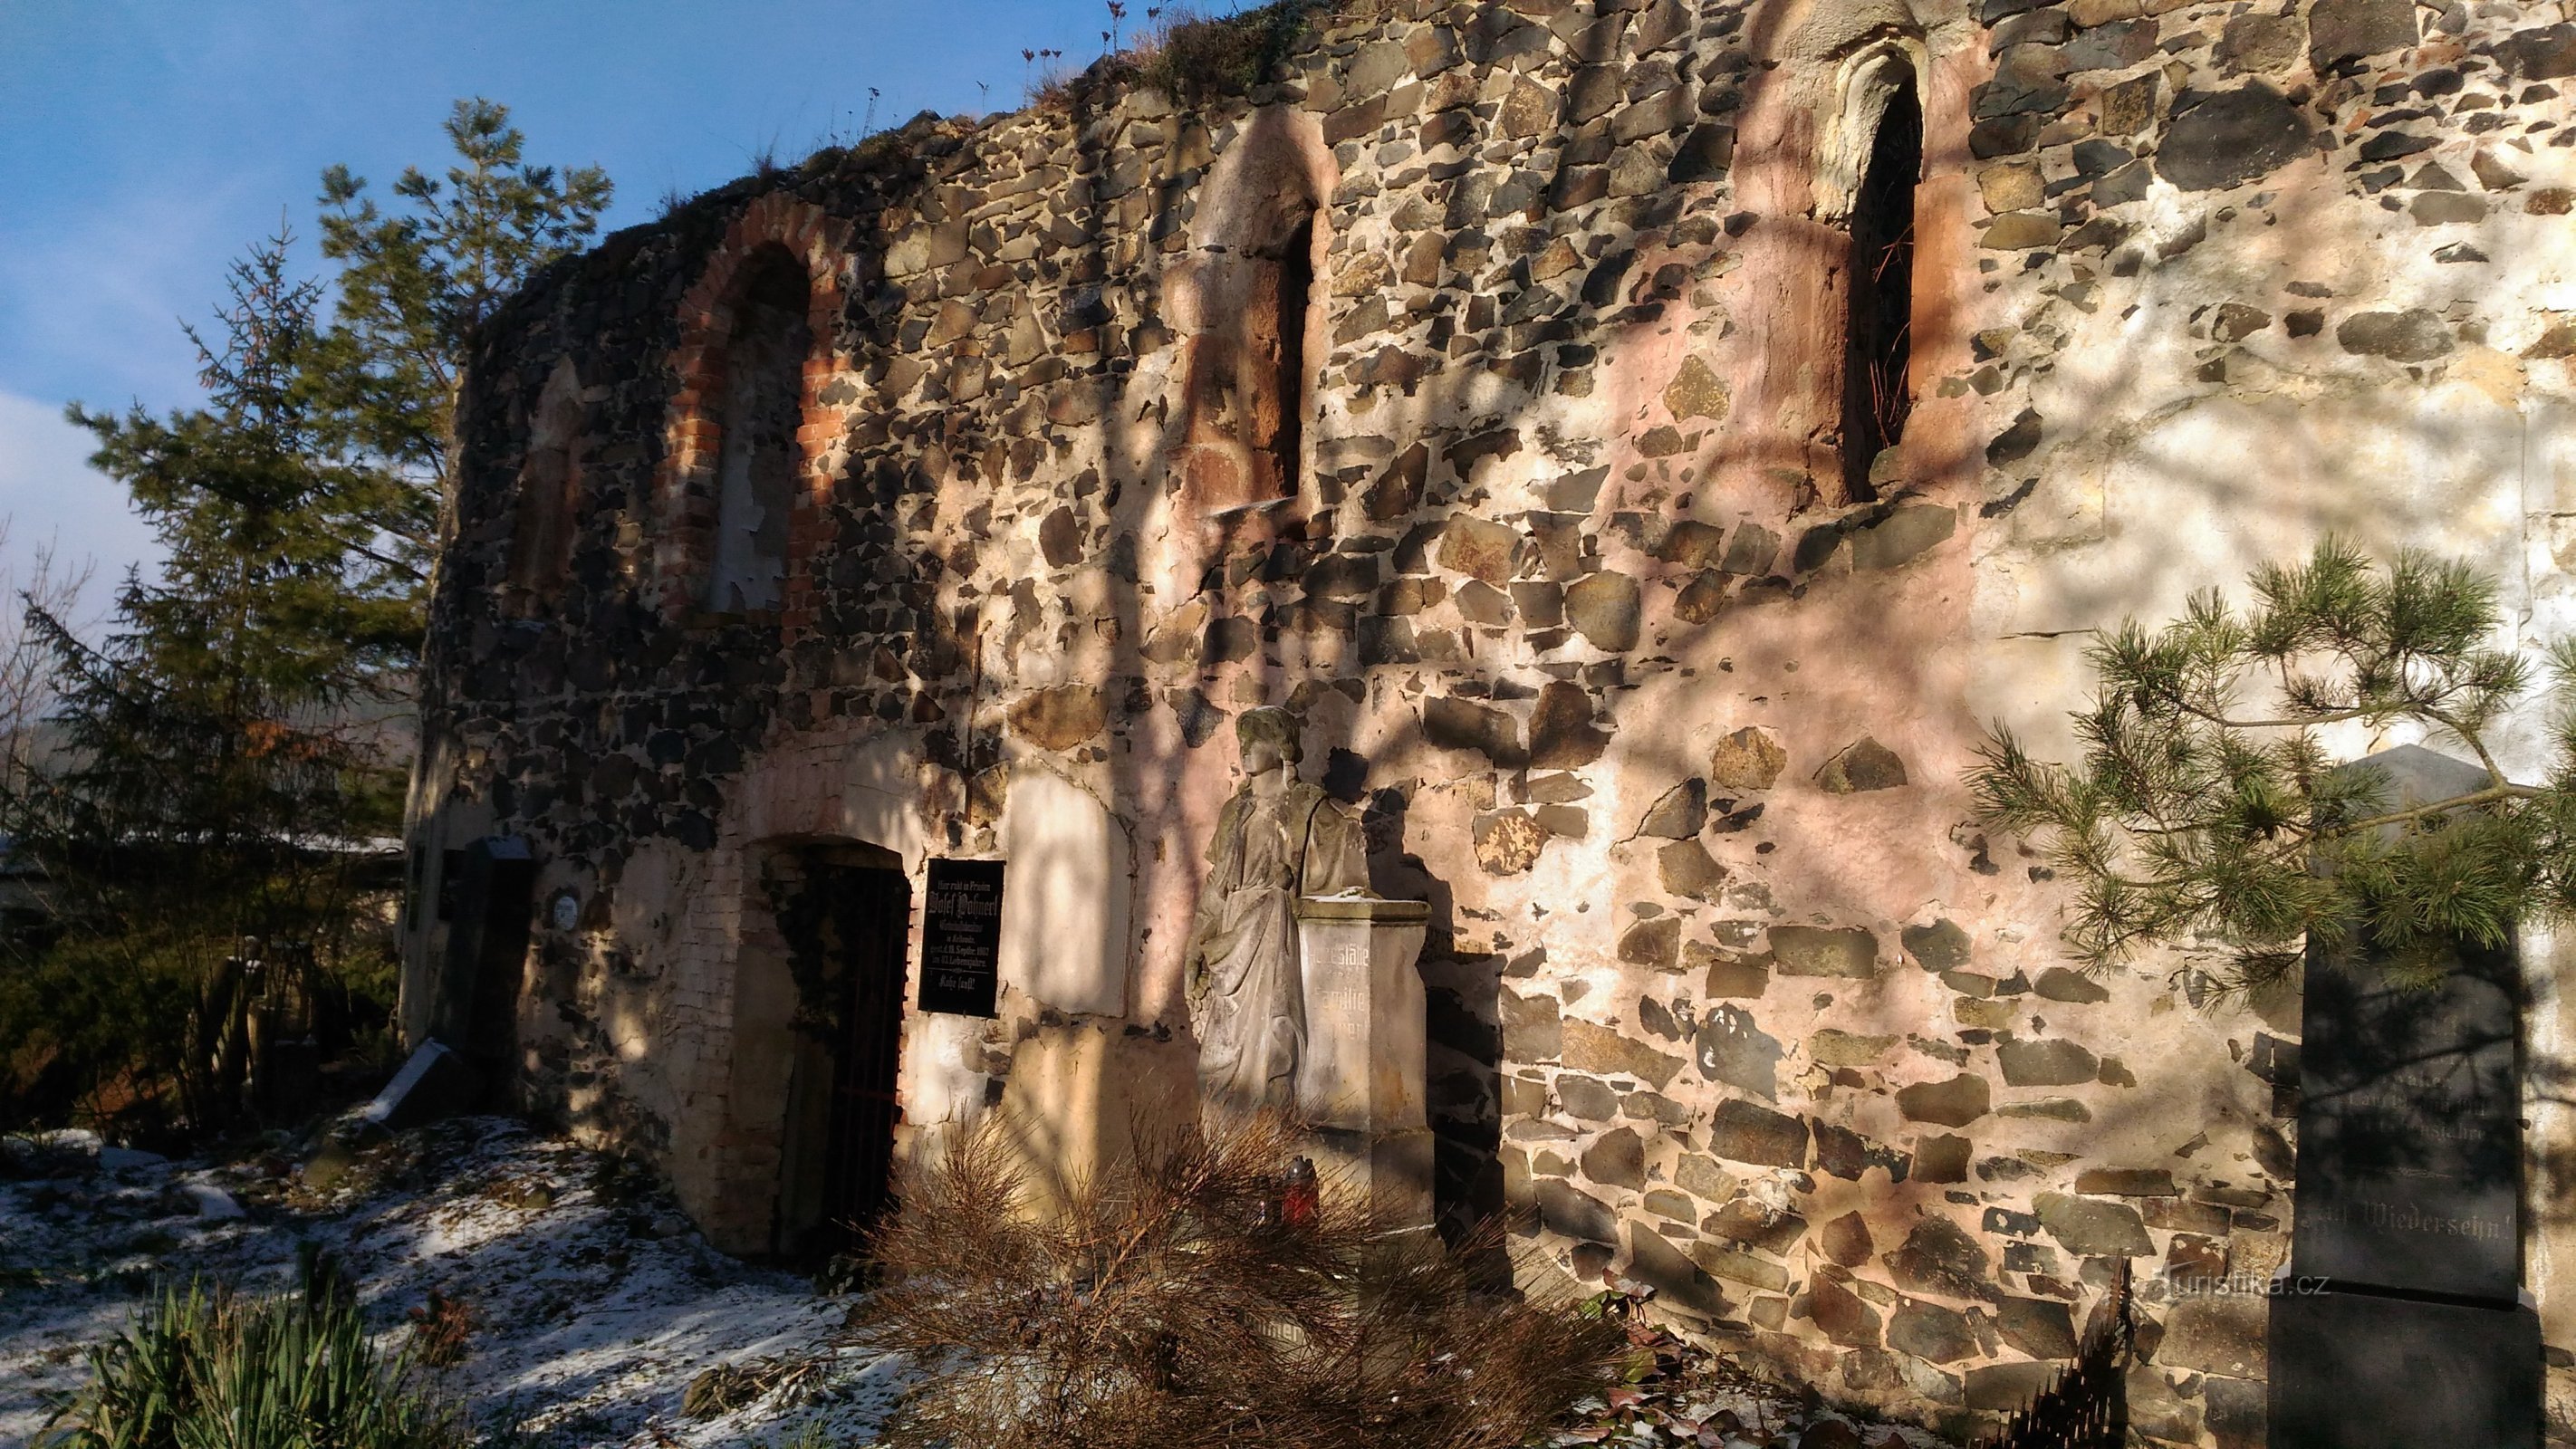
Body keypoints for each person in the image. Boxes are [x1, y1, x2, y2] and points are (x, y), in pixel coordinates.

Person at [1181, 706, 1370, 1116]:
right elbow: (1217, 887)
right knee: (1217, 1064)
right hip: (1231, 939)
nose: (1245, 750)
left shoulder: (1307, 807)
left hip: (1273, 935)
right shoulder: (1235, 812)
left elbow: (1340, 869)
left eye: (1256, 740)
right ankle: (1224, 1160)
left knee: (1274, 1041)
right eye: (1243, 741)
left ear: (1282, 747)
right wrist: (1195, 946)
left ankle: (1270, 1148)